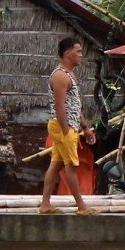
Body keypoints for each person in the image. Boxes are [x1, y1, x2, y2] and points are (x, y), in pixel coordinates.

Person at [39, 37, 98, 215]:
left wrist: (85, 127)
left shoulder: (69, 75)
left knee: (56, 164)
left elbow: (74, 105)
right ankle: (81, 206)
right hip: (62, 127)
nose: (81, 55)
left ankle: (45, 204)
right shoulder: (59, 76)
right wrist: (66, 130)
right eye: (78, 51)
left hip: (69, 126)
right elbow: (60, 106)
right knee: (71, 166)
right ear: (67, 53)